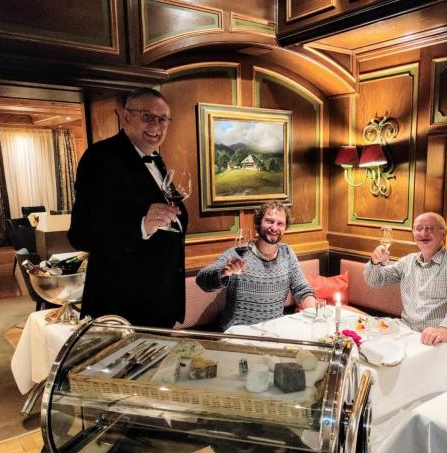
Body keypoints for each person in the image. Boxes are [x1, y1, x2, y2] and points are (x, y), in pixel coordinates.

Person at [68, 87, 188, 327]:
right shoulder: (100, 158)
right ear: (125, 116)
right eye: (147, 116)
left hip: (160, 303)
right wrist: (141, 226)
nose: (156, 125)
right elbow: (80, 234)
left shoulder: (156, 159)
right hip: (121, 306)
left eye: (163, 119)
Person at [364, 212, 447, 358]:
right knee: (367, 350)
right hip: (406, 336)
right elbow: (375, 281)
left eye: (430, 228)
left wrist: (445, 329)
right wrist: (375, 262)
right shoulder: (408, 261)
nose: (423, 233)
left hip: (436, 344)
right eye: (419, 228)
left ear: (443, 234)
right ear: (413, 233)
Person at [196, 201, 316, 330]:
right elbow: (201, 280)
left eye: (280, 223)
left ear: (285, 228)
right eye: (269, 221)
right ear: (258, 223)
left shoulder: (287, 253)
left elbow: (302, 289)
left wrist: (315, 315)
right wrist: (223, 272)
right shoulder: (238, 253)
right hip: (238, 332)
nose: (274, 228)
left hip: (273, 331)